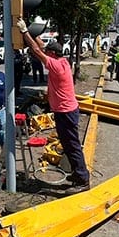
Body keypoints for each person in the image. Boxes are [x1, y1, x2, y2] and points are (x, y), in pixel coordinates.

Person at [19, 18, 90, 190]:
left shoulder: (56, 66)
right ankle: (77, 173)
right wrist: (33, 33)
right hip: (66, 110)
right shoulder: (63, 60)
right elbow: (41, 46)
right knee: (67, 144)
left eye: (48, 52)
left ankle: (82, 179)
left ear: (52, 54)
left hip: (66, 112)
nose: (46, 52)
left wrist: (24, 32)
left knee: (72, 145)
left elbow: (37, 50)